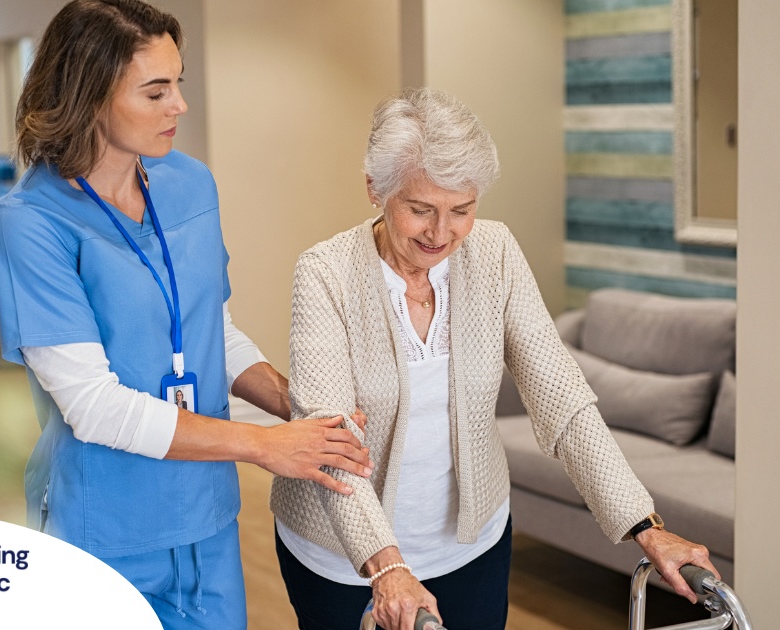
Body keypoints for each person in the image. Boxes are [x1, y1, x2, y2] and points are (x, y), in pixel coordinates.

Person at [269, 88, 718, 630]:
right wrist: (387, 567)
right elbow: (330, 438)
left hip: (470, 544)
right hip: (342, 557)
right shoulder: (326, 273)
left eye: (462, 209)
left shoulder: (495, 251)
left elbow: (562, 398)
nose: (442, 233)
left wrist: (645, 524)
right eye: (420, 210)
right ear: (375, 189)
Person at [0, 1, 372, 626]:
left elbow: (206, 327)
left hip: (206, 516)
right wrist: (266, 446)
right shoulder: (29, 224)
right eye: (156, 90)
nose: (179, 107)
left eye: (178, 84)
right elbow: (92, 404)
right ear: (88, 96)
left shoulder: (189, 183)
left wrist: (297, 407)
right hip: (105, 526)